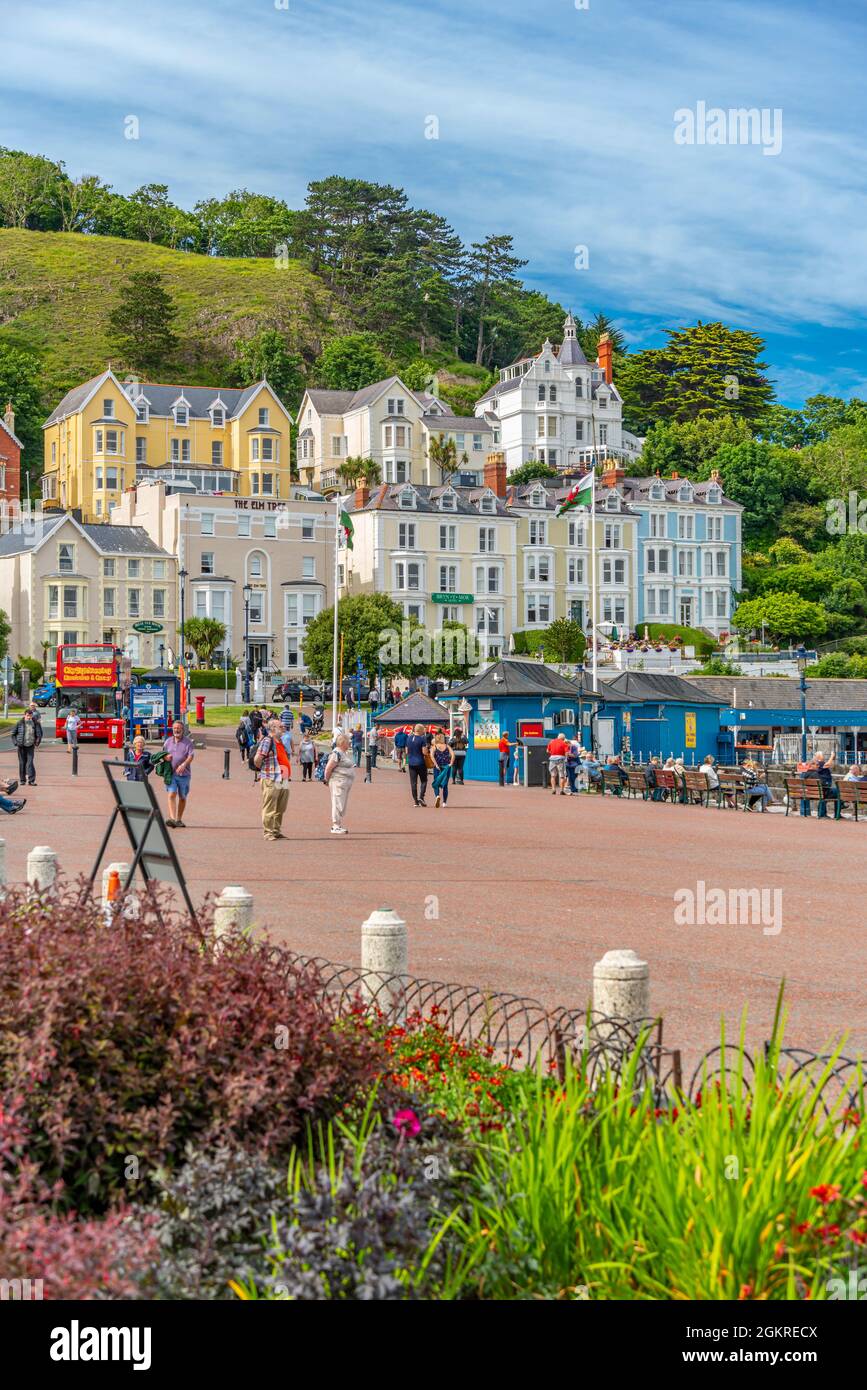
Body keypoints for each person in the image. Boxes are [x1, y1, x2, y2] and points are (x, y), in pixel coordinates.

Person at [255, 716, 291, 842]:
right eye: (281, 727)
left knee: (281, 807)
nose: (283, 728)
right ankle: (268, 832)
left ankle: (276, 831)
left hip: (283, 778)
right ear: (273, 728)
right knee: (270, 806)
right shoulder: (267, 741)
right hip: (271, 777)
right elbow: (257, 760)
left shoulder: (280, 742)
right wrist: (264, 772)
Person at [163, 719, 195, 828]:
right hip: (171, 774)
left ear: (183, 730)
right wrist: (165, 757)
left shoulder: (188, 742)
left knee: (182, 797)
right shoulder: (167, 742)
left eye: (179, 728)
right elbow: (162, 755)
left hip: (184, 775)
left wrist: (184, 764)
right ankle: (172, 818)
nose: (176, 730)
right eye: (175, 728)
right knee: (172, 794)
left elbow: (191, 756)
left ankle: (179, 819)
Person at [324, 731, 356, 834]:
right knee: (337, 803)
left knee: (341, 803)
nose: (349, 744)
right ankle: (335, 825)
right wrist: (326, 780)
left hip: (343, 783)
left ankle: (337, 824)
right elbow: (328, 768)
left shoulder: (343, 753)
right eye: (348, 742)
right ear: (343, 743)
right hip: (338, 782)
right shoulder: (336, 753)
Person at [12, 707, 42, 787]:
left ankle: (31, 780)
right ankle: (22, 780)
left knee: (30, 763)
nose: (29, 717)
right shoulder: (20, 723)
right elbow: (13, 734)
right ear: (24, 715)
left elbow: (39, 734)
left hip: (30, 746)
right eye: (28, 715)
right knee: (22, 763)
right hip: (21, 746)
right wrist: (16, 743)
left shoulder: (35, 723)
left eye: (30, 715)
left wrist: (37, 742)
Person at [406, 722, 430, 806]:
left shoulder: (408, 738)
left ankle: (415, 801)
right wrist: (426, 750)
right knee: (424, 780)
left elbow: (406, 751)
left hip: (411, 763)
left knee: (413, 782)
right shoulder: (422, 739)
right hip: (420, 762)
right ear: (420, 730)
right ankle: (421, 797)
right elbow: (424, 752)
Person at [431, 729, 455, 808]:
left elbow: (431, 756)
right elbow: (453, 754)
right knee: (445, 785)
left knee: (436, 783)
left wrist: (436, 764)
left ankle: (437, 796)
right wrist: (451, 763)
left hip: (437, 767)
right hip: (446, 767)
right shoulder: (447, 746)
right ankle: (444, 802)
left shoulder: (434, 747)